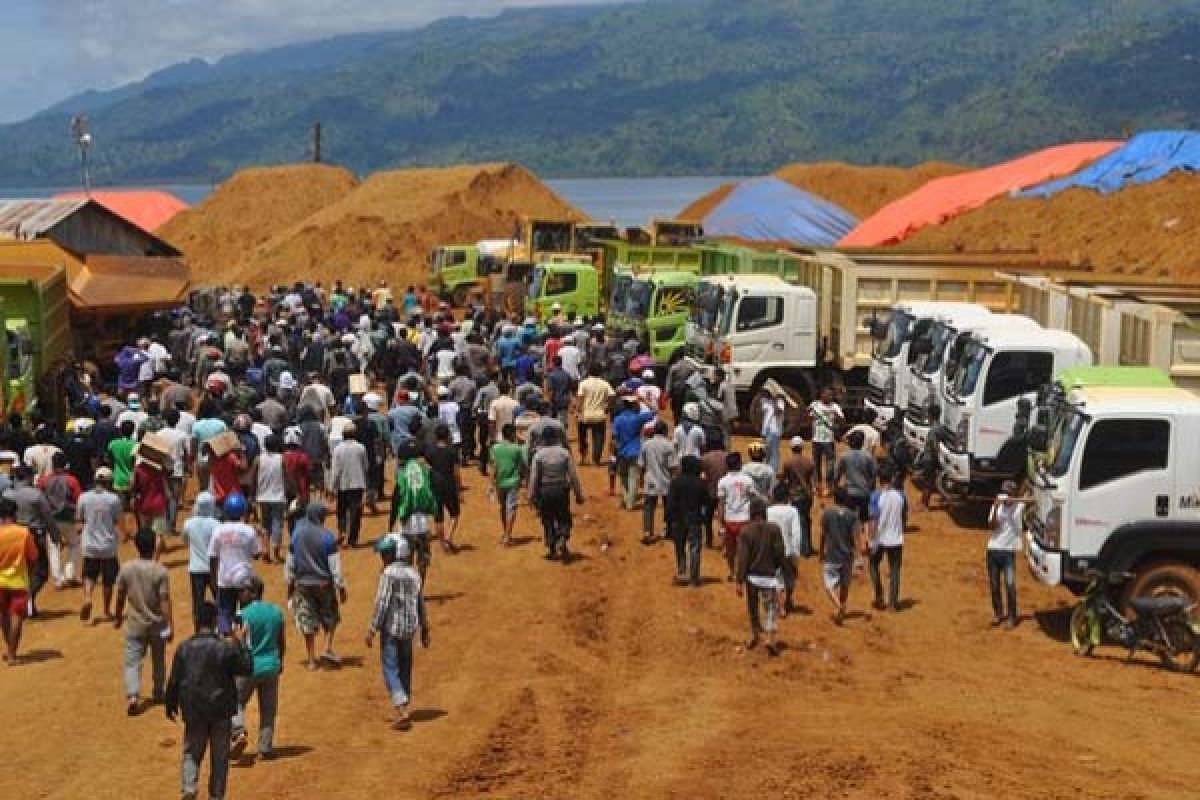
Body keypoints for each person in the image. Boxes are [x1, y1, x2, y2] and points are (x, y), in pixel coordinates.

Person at [165, 601, 253, 800]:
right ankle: (216, 796)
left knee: (191, 753)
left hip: (194, 710)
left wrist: (170, 704)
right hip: (221, 711)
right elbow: (246, 668)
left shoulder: (184, 648)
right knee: (220, 759)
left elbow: (174, 680)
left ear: (196, 621)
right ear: (215, 621)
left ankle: (189, 788)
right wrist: (242, 643)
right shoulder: (225, 648)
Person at [366, 535, 430, 732]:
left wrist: (372, 628)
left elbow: (382, 602)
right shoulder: (414, 574)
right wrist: (425, 629)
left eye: (384, 554)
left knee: (390, 668)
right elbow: (420, 603)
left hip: (391, 629)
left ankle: (402, 711)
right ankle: (405, 703)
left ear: (393, 555)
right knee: (405, 666)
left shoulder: (388, 574)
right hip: (410, 629)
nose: (382, 558)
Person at [114, 528, 173, 715]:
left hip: (135, 623)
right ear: (153, 545)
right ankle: (158, 691)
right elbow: (164, 600)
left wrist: (117, 616)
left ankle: (133, 695)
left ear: (136, 546)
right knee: (159, 657)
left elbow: (121, 595)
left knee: (132, 660)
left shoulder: (127, 568)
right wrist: (170, 625)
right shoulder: (161, 571)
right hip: (158, 626)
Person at [286, 501, 348, 670]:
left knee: (307, 621)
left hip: (303, 584)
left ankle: (311, 660)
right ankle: (327, 647)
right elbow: (335, 566)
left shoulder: (297, 534)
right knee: (330, 616)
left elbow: (290, 564)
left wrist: (290, 587)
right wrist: (341, 587)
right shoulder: (327, 536)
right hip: (323, 584)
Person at [230, 575, 285, 760]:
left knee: (234, 701)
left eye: (242, 591)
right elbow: (281, 641)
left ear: (253, 592)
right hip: (271, 666)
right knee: (268, 709)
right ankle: (266, 747)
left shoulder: (241, 615)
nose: (239, 595)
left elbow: (237, 645)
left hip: (248, 667)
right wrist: (280, 661)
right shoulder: (276, 612)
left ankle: (238, 732)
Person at [736, 497, 787, 656]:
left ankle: (755, 634)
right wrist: (778, 569)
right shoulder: (775, 529)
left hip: (752, 577)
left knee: (753, 607)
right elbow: (780, 553)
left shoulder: (746, 531)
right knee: (770, 608)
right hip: (769, 576)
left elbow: (743, 558)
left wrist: (739, 580)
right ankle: (770, 638)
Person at [528, 427, 585, 563]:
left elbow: (534, 477)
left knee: (547, 518)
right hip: (561, 489)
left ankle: (552, 547)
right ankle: (562, 538)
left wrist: (531, 495)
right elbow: (573, 475)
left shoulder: (539, 455)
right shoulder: (564, 453)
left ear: (543, 439)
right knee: (563, 516)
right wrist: (578, 494)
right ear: (556, 438)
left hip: (545, 490)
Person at [207, 493, 260, 635]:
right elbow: (257, 553)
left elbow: (213, 556)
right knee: (246, 612)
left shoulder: (218, 530)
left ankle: (225, 639)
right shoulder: (249, 531)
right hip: (244, 579)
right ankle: (245, 641)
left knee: (224, 612)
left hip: (224, 578)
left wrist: (213, 578)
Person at [388, 443, 440, 585]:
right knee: (423, 560)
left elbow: (395, 500)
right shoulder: (424, 472)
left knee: (405, 561)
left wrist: (391, 523)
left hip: (406, 526)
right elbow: (437, 484)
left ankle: (409, 588)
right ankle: (420, 587)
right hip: (423, 524)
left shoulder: (402, 475)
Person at [79, 467, 123, 622]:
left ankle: (88, 597)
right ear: (109, 482)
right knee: (108, 579)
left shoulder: (83, 497)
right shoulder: (113, 499)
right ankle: (106, 610)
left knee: (89, 574)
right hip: (108, 544)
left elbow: (80, 517)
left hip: (89, 543)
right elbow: (117, 519)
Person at [0, 497, 37, 663]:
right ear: (15, 513)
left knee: (4, 616)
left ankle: (9, 648)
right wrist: (29, 571)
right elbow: (33, 557)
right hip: (18, 581)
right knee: (16, 616)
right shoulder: (23, 533)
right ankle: (12, 653)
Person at [665, 455, 710, 587]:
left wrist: (668, 519)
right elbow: (706, 502)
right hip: (695, 519)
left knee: (679, 546)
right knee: (695, 548)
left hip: (678, 519)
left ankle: (682, 569)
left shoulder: (676, 482)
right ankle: (694, 578)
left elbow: (671, 502)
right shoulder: (701, 483)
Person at [820, 488, 862, 626]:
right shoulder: (852, 516)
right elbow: (856, 538)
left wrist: (821, 552)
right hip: (847, 556)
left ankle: (839, 606)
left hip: (832, 555)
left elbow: (823, 534)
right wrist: (858, 557)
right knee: (845, 585)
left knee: (828, 586)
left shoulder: (827, 513)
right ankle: (843, 604)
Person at [986, 481, 1025, 629]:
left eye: (1010, 494)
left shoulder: (1019, 506)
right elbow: (992, 526)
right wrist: (996, 508)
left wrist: (1018, 501)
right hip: (993, 550)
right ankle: (998, 613)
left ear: (1014, 495)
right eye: (1005, 493)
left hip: (1009, 552)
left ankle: (1012, 616)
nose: (1007, 496)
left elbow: (1031, 499)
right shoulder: (998, 505)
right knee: (994, 585)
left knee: (1010, 585)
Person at [868, 468, 906, 612]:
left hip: (880, 538)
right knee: (895, 570)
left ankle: (879, 595)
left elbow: (873, 521)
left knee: (873, 565)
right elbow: (903, 515)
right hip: (896, 538)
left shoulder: (876, 496)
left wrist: (871, 540)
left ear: (880, 480)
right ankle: (892, 603)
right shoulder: (901, 496)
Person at [716, 452, 757, 582]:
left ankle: (732, 572)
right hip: (745, 518)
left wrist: (721, 522)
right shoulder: (748, 480)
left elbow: (721, 503)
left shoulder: (723, 481)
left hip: (729, 519)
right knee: (743, 549)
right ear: (739, 464)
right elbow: (754, 497)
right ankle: (743, 572)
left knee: (730, 549)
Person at [182, 492, 219, 630]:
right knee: (219, 599)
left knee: (198, 602)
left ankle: (198, 629)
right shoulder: (216, 524)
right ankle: (221, 628)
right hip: (213, 569)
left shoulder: (188, 523)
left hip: (196, 568)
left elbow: (185, 541)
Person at [611, 395, 654, 511]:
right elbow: (654, 411)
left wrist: (614, 453)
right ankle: (630, 503)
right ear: (634, 405)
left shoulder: (617, 419)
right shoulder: (638, 418)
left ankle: (626, 500)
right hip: (635, 451)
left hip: (622, 452)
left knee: (623, 477)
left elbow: (614, 438)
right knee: (633, 478)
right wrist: (644, 400)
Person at [638, 419, 677, 545]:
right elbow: (673, 467)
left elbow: (641, 464)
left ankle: (647, 532)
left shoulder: (646, 444)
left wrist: (641, 478)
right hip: (666, 480)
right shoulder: (669, 445)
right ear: (665, 431)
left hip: (650, 480)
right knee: (669, 507)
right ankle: (668, 530)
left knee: (649, 506)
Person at [426, 424, 462, 553]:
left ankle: (442, 544)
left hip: (435, 484)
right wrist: (459, 489)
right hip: (449, 484)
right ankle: (449, 538)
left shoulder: (430, 451)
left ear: (436, 436)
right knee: (455, 513)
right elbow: (456, 472)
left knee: (438, 516)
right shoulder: (452, 451)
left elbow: (426, 466)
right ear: (447, 436)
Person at [767, 484, 803, 615]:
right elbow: (796, 533)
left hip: (772, 550)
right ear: (787, 497)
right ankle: (786, 601)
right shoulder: (792, 511)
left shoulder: (768, 511)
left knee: (777, 579)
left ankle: (780, 606)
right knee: (790, 578)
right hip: (788, 550)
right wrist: (796, 553)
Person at [489, 423, 525, 546]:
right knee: (512, 508)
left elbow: (493, 468)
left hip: (500, 482)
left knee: (503, 508)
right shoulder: (517, 449)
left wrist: (491, 485)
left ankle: (506, 532)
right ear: (512, 434)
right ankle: (507, 536)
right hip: (513, 482)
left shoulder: (495, 448)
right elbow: (522, 466)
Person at [254, 434, 287, 562]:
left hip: (262, 496)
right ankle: (276, 553)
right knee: (277, 524)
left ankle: (265, 550)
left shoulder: (259, 459)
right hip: (278, 496)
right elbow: (287, 475)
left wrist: (252, 495)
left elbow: (253, 478)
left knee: (265, 525)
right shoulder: (281, 459)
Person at [780, 436, 815, 558]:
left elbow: (783, 478)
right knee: (806, 519)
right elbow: (812, 480)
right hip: (807, 495)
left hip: (794, 495)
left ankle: (800, 548)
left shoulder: (788, 462)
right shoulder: (809, 462)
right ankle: (807, 546)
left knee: (797, 522)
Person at [806, 387, 843, 497]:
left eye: (831, 395)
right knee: (816, 463)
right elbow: (806, 419)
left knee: (830, 464)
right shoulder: (814, 405)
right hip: (816, 439)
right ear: (821, 395)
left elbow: (842, 421)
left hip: (829, 439)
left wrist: (836, 416)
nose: (829, 397)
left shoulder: (835, 406)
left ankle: (829, 486)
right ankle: (817, 486)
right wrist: (808, 413)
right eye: (827, 395)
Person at [834, 430, 876, 524]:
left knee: (849, 520)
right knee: (864, 520)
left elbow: (837, 474)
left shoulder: (844, 456)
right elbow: (873, 475)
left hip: (850, 492)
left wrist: (835, 486)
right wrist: (871, 490)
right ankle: (864, 537)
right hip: (865, 492)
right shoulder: (868, 456)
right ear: (862, 442)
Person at [575, 364, 614, 466]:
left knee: (582, 436)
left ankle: (583, 456)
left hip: (585, 415)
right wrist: (607, 406)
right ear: (600, 372)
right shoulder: (605, 384)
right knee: (599, 438)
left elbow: (580, 398)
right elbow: (612, 395)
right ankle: (595, 460)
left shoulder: (583, 383)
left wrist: (578, 411)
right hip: (599, 415)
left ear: (589, 372)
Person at [758, 387, 785, 473]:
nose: (764, 394)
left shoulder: (780, 402)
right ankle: (767, 471)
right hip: (766, 430)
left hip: (775, 430)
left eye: (766, 392)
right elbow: (762, 411)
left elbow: (778, 412)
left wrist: (775, 400)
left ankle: (773, 472)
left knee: (774, 452)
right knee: (766, 452)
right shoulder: (765, 401)